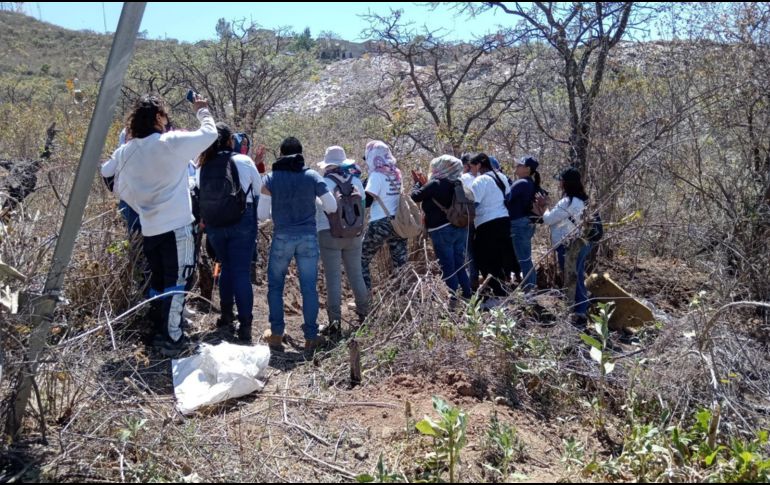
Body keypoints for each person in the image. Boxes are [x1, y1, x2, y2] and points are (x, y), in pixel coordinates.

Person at [108, 93, 217, 356]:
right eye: (165, 116)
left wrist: (135, 201)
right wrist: (201, 109)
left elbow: (107, 174)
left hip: (150, 228)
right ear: (158, 117)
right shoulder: (171, 142)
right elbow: (210, 133)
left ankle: (158, 331)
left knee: (158, 282)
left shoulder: (125, 151)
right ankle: (173, 338)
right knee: (177, 282)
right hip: (177, 227)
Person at [258, 137, 337, 354]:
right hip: (308, 237)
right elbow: (331, 206)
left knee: (275, 286)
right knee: (309, 287)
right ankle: (311, 337)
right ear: (301, 153)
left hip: (282, 236)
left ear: (281, 154)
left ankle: (275, 334)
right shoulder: (311, 176)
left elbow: (261, 214)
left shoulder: (271, 178)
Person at [198, 122, 262, 343]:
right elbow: (257, 188)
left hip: (215, 224)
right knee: (241, 272)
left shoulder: (203, 165)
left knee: (225, 267)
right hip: (242, 221)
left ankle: (226, 316)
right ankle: (245, 326)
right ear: (229, 140)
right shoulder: (242, 160)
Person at [315, 146, 369, 338]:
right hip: (354, 235)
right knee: (356, 275)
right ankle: (365, 315)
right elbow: (362, 206)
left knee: (333, 279)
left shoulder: (323, 182)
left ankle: (335, 323)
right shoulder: (355, 181)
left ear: (327, 164)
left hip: (329, 234)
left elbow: (320, 209)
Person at [410, 155, 472, 299]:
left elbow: (415, 196)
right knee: (459, 264)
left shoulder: (436, 183)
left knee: (447, 265)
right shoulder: (459, 183)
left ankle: (454, 299)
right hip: (460, 228)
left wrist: (417, 184)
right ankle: (468, 296)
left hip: (441, 230)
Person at [539, 167, 592, 327]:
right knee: (578, 275)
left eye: (561, 180)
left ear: (566, 183)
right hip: (581, 243)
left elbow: (548, 219)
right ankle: (580, 308)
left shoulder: (567, 202)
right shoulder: (584, 201)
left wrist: (544, 206)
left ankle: (578, 311)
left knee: (571, 277)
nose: (560, 183)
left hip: (568, 245)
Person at [469, 153, 518, 304]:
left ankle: (498, 295)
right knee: (502, 258)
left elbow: (474, 204)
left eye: (472, 166)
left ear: (479, 165)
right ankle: (505, 291)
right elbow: (508, 198)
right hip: (504, 221)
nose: (472, 170)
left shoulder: (480, 180)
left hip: (487, 224)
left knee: (486, 260)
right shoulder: (501, 176)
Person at [360, 140, 408, 290]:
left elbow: (367, 201)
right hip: (398, 223)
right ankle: (404, 298)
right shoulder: (396, 173)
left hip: (380, 223)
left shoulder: (376, 175)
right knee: (401, 264)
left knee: (360, 259)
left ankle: (365, 299)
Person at [507, 156, 543, 291]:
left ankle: (530, 290)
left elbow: (506, 199)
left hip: (519, 224)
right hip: (527, 224)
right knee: (525, 258)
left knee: (524, 259)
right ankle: (530, 287)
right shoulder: (531, 184)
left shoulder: (521, 183)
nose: (516, 167)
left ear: (527, 169)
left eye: (519, 165)